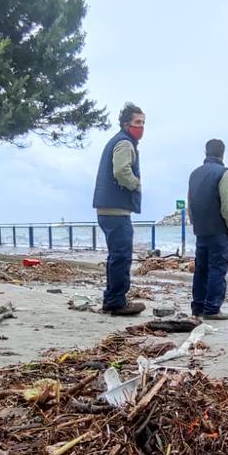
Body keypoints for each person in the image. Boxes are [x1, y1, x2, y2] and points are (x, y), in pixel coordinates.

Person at [92, 102, 146, 316]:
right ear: (126, 124)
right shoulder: (124, 143)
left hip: (108, 208)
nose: (141, 127)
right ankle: (116, 301)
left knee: (116, 255)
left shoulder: (119, 141)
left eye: (143, 122)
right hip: (116, 210)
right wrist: (136, 184)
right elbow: (121, 171)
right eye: (137, 122)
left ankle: (112, 298)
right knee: (122, 256)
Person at [187, 139, 228, 320]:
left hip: (201, 230)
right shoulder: (223, 173)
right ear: (222, 154)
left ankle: (197, 307)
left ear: (206, 153)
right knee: (217, 269)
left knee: (201, 269)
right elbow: (227, 205)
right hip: (218, 230)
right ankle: (213, 308)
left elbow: (190, 202)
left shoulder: (194, 174)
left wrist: (194, 223)